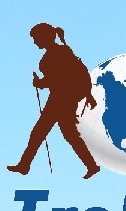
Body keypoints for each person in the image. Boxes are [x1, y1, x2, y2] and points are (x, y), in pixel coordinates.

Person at [13, 24, 104, 176]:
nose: (35, 42)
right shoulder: (61, 51)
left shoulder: (57, 54)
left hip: (61, 100)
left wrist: (39, 83)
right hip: (61, 99)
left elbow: (59, 78)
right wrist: (42, 83)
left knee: (41, 133)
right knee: (67, 135)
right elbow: (60, 78)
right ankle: (91, 166)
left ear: (44, 37)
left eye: (36, 38)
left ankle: (24, 166)